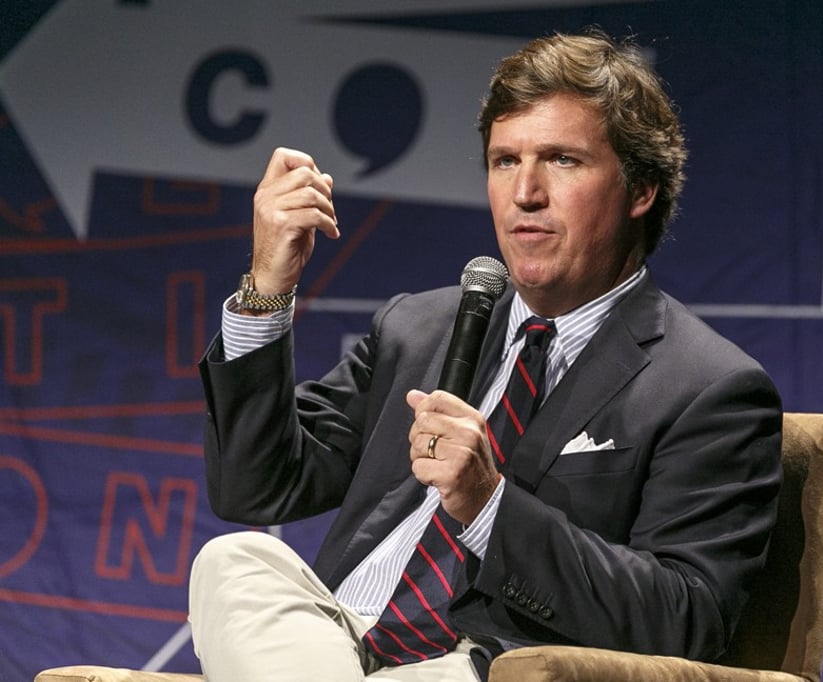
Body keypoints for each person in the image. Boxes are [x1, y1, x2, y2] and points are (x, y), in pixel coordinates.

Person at [189, 29, 783, 682]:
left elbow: (686, 617)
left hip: (485, 666)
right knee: (235, 560)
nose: (525, 192)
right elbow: (256, 487)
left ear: (640, 190)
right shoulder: (419, 328)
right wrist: (266, 291)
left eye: (562, 160)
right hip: (332, 647)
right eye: (504, 161)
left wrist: (488, 506)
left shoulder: (706, 387)